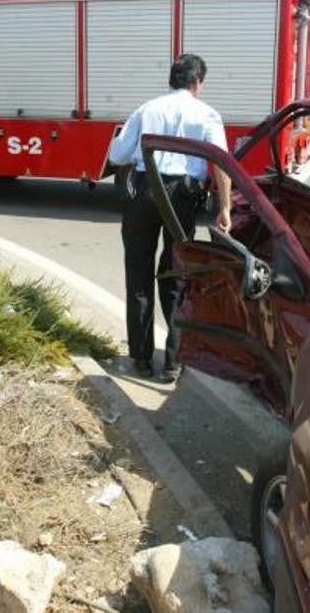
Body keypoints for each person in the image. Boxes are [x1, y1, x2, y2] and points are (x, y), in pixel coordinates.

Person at [108, 53, 232, 383]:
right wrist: (225, 207)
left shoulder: (146, 109)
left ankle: (140, 359)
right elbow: (219, 162)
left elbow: (117, 155)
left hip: (143, 192)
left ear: (172, 80)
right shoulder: (206, 114)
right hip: (181, 198)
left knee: (138, 272)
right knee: (176, 275)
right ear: (197, 82)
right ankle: (174, 361)